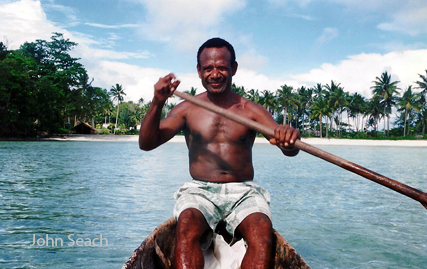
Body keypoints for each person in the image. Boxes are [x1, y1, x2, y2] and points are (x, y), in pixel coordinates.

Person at [139, 37, 301, 269]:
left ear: (233, 68)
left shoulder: (251, 111)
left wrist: (289, 140)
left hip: (243, 190)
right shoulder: (186, 108)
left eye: (222, 67)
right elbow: (146, 143)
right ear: (199, 71)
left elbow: (287, 149)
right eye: (208, 68)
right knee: (185, 226)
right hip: (200, 190)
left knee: (262, 233)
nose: (215, 74)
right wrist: (157, 101)